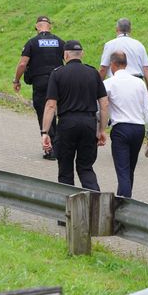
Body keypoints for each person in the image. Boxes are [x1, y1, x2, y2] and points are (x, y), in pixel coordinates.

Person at [42, 40, 109, 190]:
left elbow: (51, 105)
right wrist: (102, 130)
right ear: (82, 54)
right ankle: (95, 204)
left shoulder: (57, 73)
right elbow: (104, 104)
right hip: (88, 123)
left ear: (65, 54)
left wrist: (45, 132)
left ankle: (68, 206)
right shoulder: (93, 73)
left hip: (67, 124)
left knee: (65, 169)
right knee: (86, 168)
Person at [103, 51, 148, 198]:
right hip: (138, 128)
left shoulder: (108, 83)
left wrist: (100, 129)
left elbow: (102, 108)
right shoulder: (139, 83)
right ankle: (124, 200)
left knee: (122, 170)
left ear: (112, 65)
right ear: (126, 65)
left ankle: (124, 202)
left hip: (121, 128)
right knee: (129, 170)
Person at [13, 15, 65, 160]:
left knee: (44, 114)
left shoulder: (32, 42)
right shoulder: (60, 42)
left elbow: (23, 64)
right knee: (62, 114)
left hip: (40, 83)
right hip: (59, 82)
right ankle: (62, 147)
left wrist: (16, 80)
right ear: (50, 26)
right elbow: (70, 58)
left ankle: (50, 149)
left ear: (37, 27)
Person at [99, 18, 148, 99]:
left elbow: (103, 69)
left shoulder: (110, 45)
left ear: (117, 29)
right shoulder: (139, 45)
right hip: (137, 83)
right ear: (130, 30)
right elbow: (146, 68)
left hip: (117, 84)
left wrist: (98, 87)